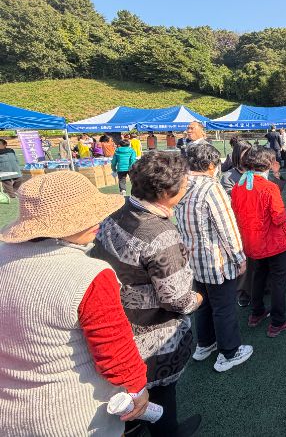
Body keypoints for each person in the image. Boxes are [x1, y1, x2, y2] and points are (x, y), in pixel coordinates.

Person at [0, 171, 148, 436]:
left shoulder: (4, 255)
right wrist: (137, 387)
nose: (96, 220)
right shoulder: (89, 274)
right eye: (84, 216)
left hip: (9, 408)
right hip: (71, 414)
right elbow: (114, 352)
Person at [92, 151, 203, 436]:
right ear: (166, 193)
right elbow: (177, 299)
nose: (187, 187)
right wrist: (198, 299)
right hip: (153, 338)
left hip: (116, 326)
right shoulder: (160, 233)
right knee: (161, 398)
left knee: (132, 402)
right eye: (184, 183)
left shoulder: (117, 213)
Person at [175, 144, 254, 371]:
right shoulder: (211, 188)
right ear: (211, 165)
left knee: (204, 304)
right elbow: (227, 228)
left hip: (194, 259)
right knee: (224, 307)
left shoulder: (181, 184)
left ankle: (205, 343)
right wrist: (240, 258)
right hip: (216, 261)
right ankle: (229, 352)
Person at [231, 146, 286, 338]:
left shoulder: (238, 186)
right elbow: (279, 217)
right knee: (278, 281)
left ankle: (256, 312)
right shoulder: (269, 187)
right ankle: (278, 321)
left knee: (257, 276)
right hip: (274, 243)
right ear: (268, 163)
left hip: (251, 242)